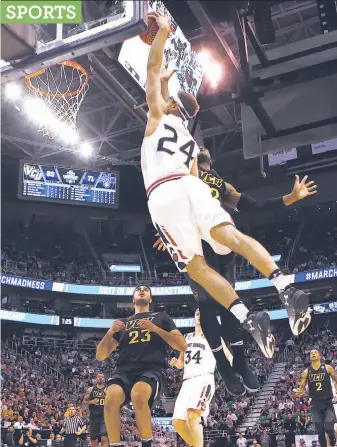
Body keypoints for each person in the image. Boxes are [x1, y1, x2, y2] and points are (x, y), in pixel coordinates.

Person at [143, 13, 311, 360]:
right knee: (231, 239)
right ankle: (284, 285)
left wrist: (162, 33)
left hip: (162, 193)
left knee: (196, 268)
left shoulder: (158, 117)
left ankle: (247, 318)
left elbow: (151, 68)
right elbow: (193, 176)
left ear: (171, 104)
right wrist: (163, 81)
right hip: (190, 185)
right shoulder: (189, 140)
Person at [96, 285, 186, 447]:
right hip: (123, 371)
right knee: (109, 398)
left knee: (138, 394)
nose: (142, 290)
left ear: (150, 299)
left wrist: (155, 329)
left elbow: (181, 345)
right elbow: (100, 355)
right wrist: (110, 332)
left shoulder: (161, 317)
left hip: (152, 369)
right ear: (133, 299)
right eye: (138, 289)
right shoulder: (123, 323)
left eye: (146, 289)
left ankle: (147, 444)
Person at [170, 309, 216, 447]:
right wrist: (175, 363)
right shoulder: (186, 337)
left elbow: (228, 356)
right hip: (187, 382)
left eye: (203, 313)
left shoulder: (214, 336)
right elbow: (181, 363)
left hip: (203, 378)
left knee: (193, 415)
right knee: (177, 422)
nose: (199, 315)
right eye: (197, 313)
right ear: (193, 317)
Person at [296, 349, 337, 447]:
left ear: (320, 355)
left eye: (316, 352)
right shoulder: (306, 372)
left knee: (329, 427)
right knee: (320, 430)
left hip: (327, 402)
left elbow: (336, 379)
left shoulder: (328, 368)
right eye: (311, 353)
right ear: (309, 357)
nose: (313, 353)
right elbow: (301, 388)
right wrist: (298, 393)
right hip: (315, 404)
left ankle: (332, 437)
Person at [83, 373, 108, 447]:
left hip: (104, 415)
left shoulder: (108, 389)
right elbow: (84, 401)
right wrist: (91, 402)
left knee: (104, 437)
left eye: (102, 377)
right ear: (96, 378)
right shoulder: (90, 389)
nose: (100, 378)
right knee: (94, 438)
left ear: (104, 379)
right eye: (98, 377)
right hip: (94, 415)